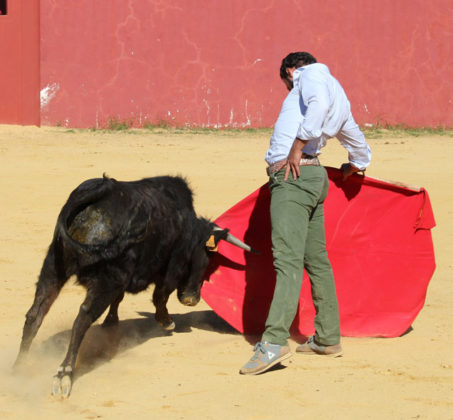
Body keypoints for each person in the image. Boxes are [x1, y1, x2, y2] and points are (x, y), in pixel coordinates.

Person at [240, 52, 371, 375]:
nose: (287, 88)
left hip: (292, 179)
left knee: (287, 261)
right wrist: (354, 165)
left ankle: (272, 343)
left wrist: (297, 147)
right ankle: (327, 338)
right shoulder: (339, 93)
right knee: (318, 261)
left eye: (285, 82)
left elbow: (317, 107)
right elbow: (360, 149)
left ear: (290, 71)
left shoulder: (309, 77)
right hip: (315, 180)